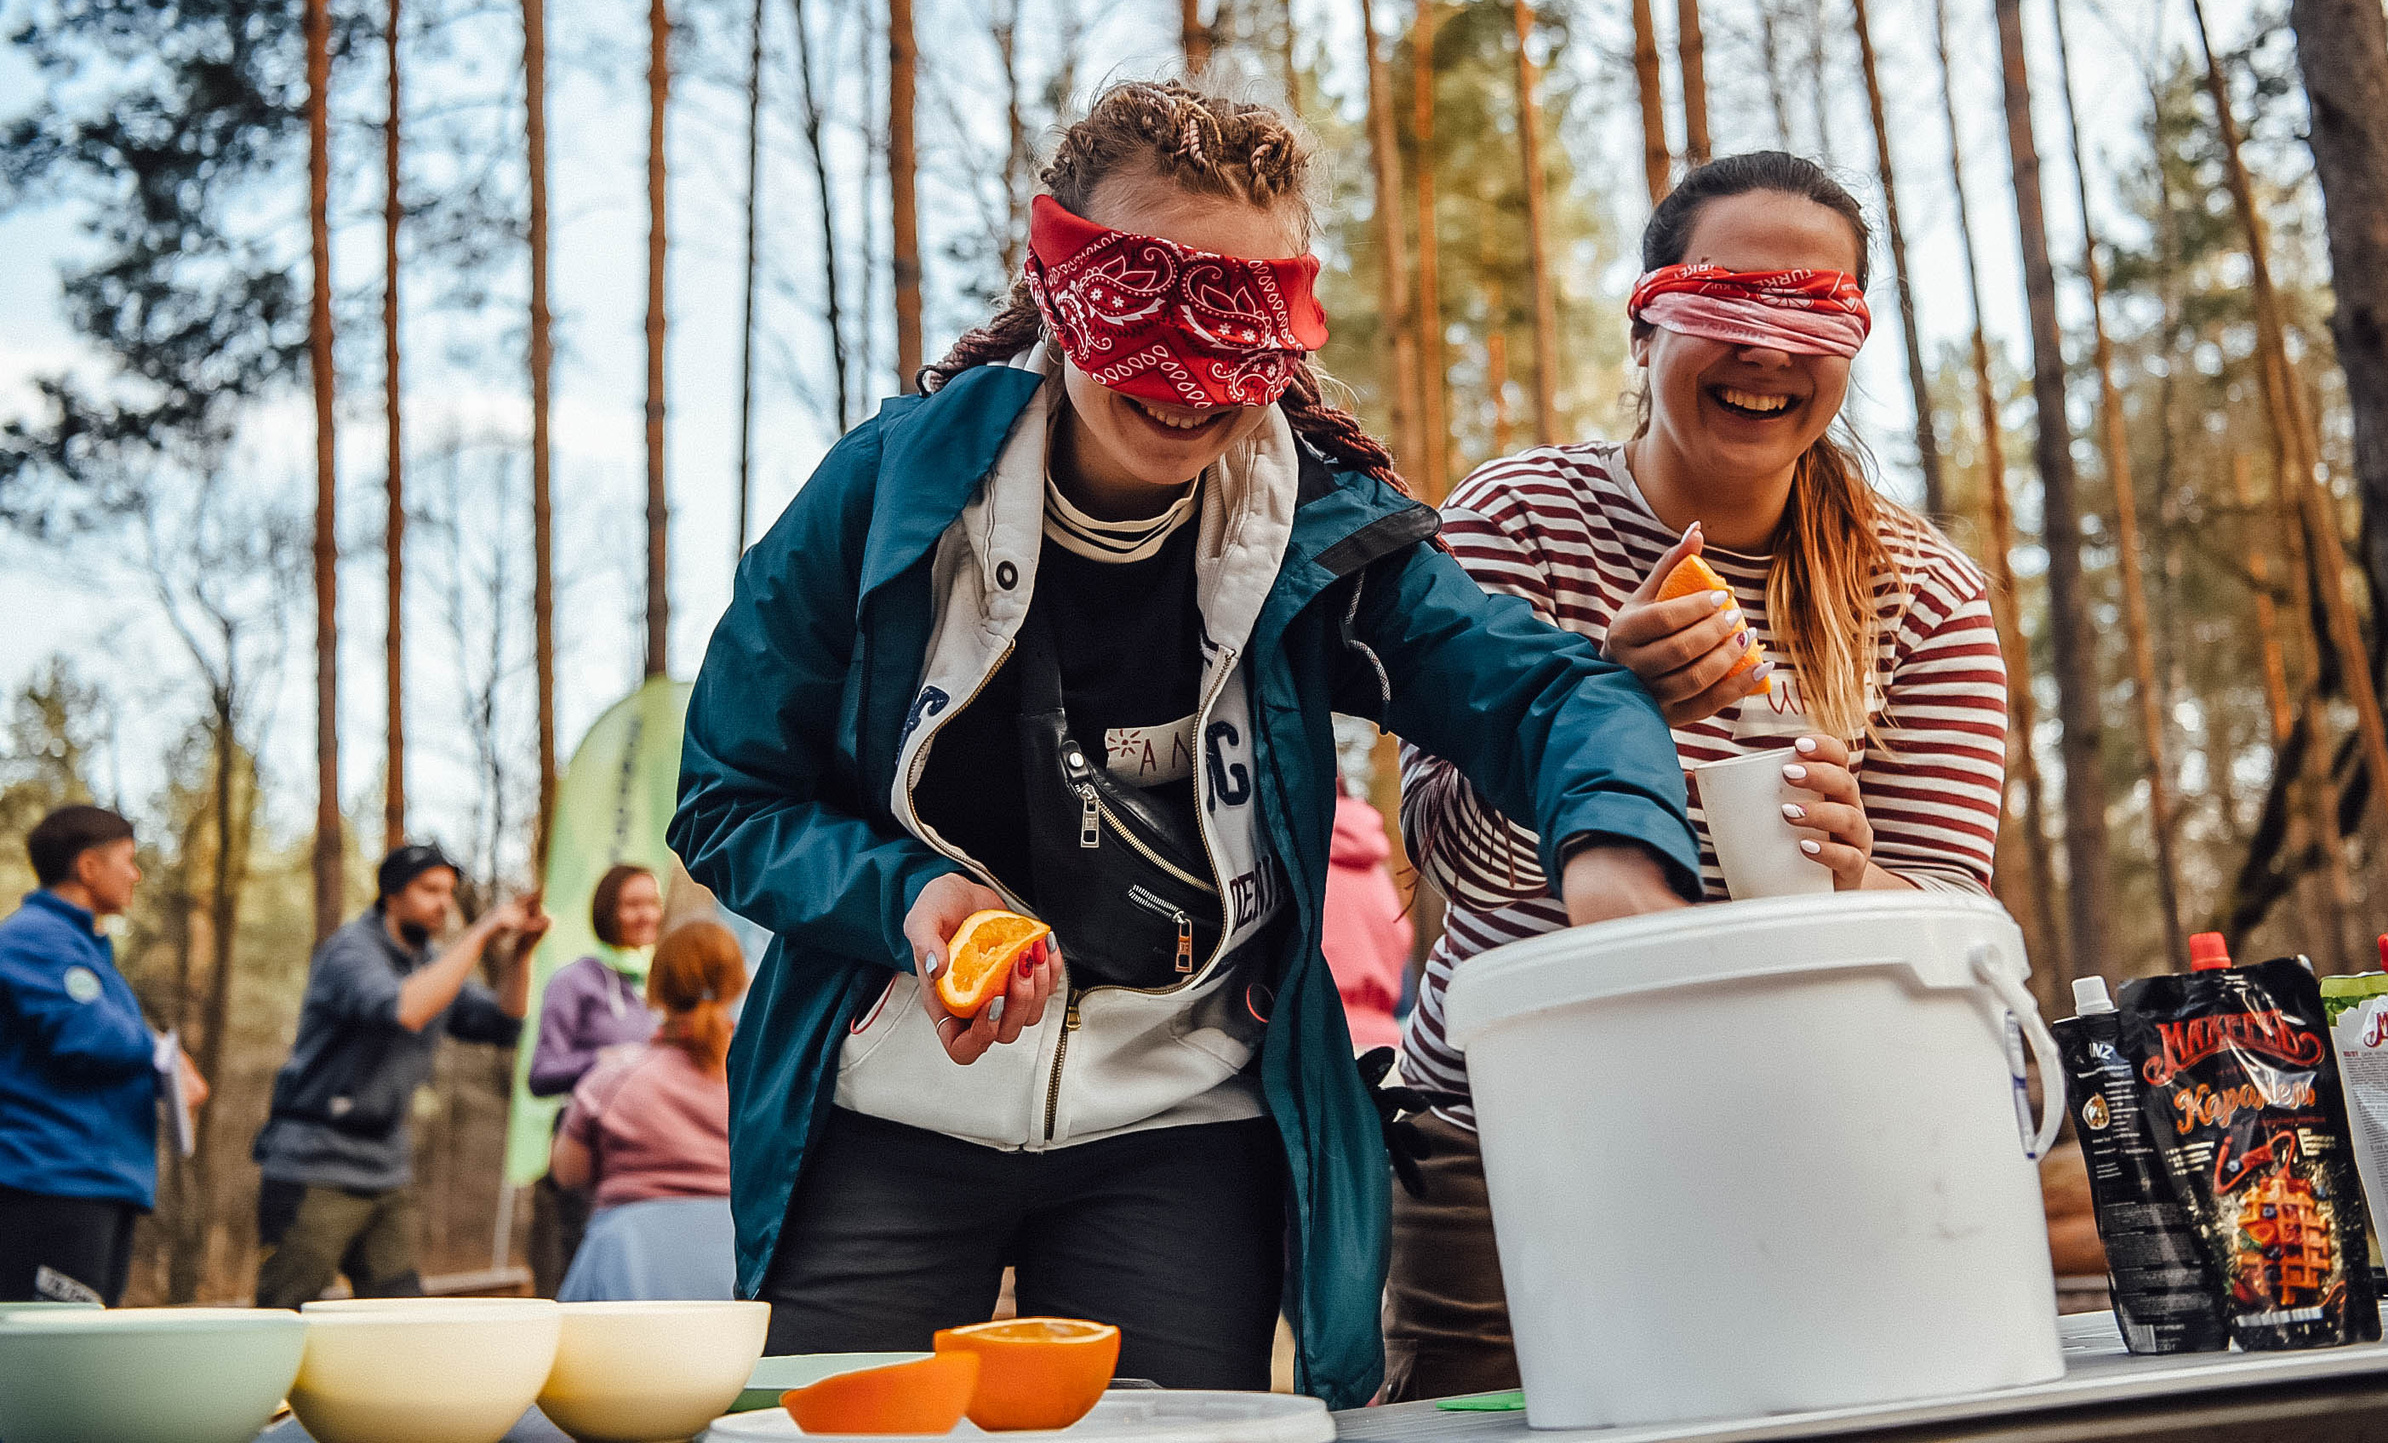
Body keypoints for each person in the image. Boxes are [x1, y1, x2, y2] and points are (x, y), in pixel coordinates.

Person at [669, 79, 1700, 1406]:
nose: (1186, 376)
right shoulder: (879, 497)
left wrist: (1619, 849)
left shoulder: (1328, 538)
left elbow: (1554, 692)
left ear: (1294, 326)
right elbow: (726, 797)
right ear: (1055, 278)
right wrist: (909, 895)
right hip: (887, 1113)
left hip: (1182, 1128)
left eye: (1241, 317)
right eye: (1144, 301)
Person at [1383, 151, 2012, 1400]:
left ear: (1853, 346)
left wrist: (1856, 870)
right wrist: (1591, 712)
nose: (1766, 349)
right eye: (1728, 301)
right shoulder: (1516, 517)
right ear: (1646, 321)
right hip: (1504, 1127)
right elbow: (1446, 851)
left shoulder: (1924, 594)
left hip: (1808, 1125)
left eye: (1813, 311)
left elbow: (1958, 925)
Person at [251, 842, 549, 1308]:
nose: (443, 904)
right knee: (283, 1309)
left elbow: (505, 1022)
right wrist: (483, 931)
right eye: (430, 890)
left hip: (385, 1167)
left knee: (400, 1314)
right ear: (391, 895)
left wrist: (522, 952)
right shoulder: (349, 952)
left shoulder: (429, 962)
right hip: (313, 1162)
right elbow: (404, 1008)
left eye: (449, 892)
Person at [0, 806, 205, 1304]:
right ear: (88, 867)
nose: (136, 874)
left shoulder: (84, 950)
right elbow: (84, 1033)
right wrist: (164, 1055)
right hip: (50, 1184)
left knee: (82, 1348)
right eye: (128, 860)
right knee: (51, 1365)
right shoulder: (33, 938)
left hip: (96, 1185)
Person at [550, 919, 745, 1301]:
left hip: (625, 1274)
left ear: (657, 990)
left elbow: (567, 1172)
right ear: (738, 984)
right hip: (740, 1275)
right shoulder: (763, 1079)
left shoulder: (612, 1079)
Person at [527, 864, 664, 1293]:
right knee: (586, 1262)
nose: (646, 914)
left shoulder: (664, 979)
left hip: (653, 1145)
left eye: (652, 902)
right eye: (632, 904)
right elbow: (541, 1074)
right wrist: (605, 1060)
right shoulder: (575, 981)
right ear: (607, 911)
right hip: (590, 1145)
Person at [1320, 782, 1411, 1055]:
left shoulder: (1304, 860)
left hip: (1324, 1038)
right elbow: (1401, 938)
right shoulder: (1376, 871)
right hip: (1386, 1042)